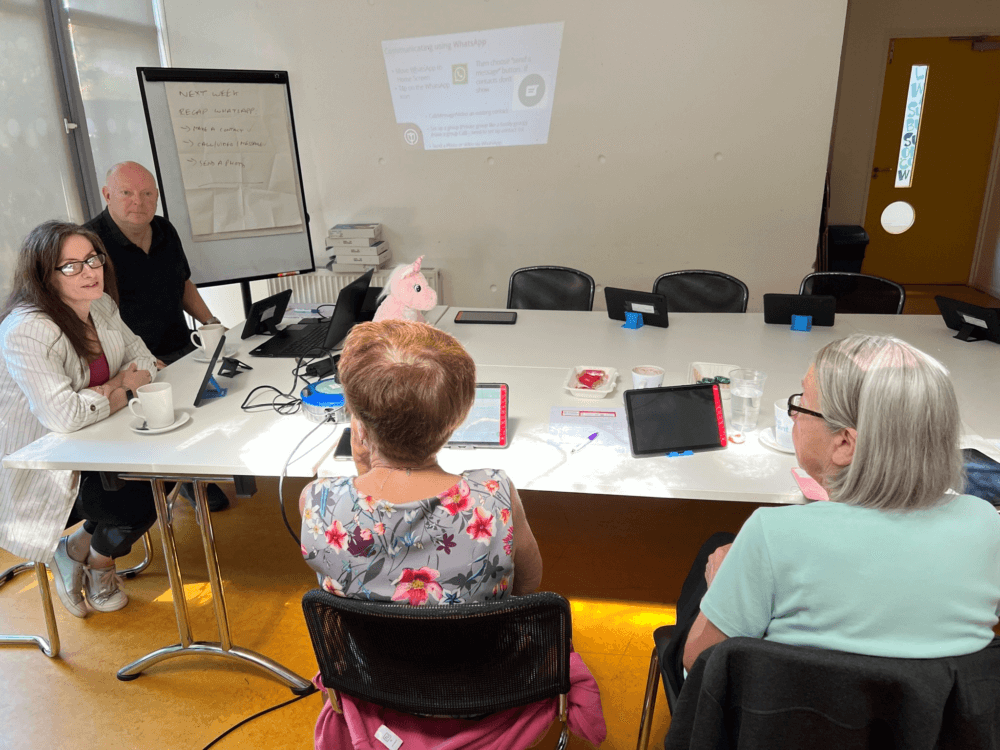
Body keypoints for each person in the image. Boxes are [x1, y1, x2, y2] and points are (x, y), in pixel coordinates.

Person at [663, 333, 1000, 695]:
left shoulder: (773, 534)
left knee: (713, 556)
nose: (793, 414)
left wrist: (722, 586)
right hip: (931, 726)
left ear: (844, 443)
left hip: (783, 722)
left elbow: (699, 664)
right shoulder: (986, 522)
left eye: (802, 404)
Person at [299, 319, 543, 602]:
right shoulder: (494, 494)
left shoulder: (317, 501)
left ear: (360, 426)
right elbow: (528, 584)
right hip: (479, 645)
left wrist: (364, 468)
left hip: (368, 647)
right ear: (458, 419)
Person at [0, 221, 159, 616]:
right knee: (137, 498)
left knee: (165, 473)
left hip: (95, 440)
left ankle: (80, 552)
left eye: (92, 259)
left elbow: (144, 357)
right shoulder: (27, 330)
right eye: (70, 266)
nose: (89, 272)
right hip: (40, 465)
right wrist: (125, 389)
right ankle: (99, 564)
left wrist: (119, 383)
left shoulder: (99, 303)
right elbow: (66, 414)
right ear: (44, 276)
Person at [84, 161, 229, 511]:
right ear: (107, 195)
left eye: (147, 193)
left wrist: (211, 322)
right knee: (158, 425)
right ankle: (170, 482)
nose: (139, 201)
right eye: (127, 193)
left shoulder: (163, 230)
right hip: (131, 361)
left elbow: (182, 283)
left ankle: (194, 475)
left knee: (209, 405)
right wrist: (133, 367)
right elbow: (86, 311)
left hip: (179, 344)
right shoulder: (89, 243)